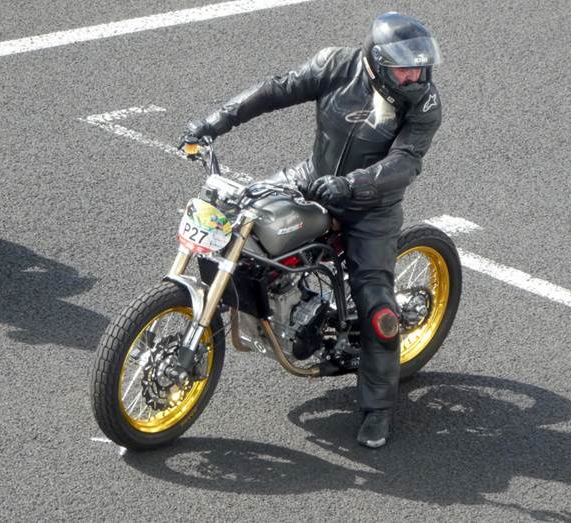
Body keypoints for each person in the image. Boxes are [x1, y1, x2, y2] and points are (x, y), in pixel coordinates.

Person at [179, 12, 442, 448]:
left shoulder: (424, 103)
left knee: (378, 310)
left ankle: (377, 409)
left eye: (419, 67)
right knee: (237, 220)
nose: (414, 76)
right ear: (377, 62)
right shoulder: (336, 65)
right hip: (309, 179)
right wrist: (214, 123)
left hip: (370, 207)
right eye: (403, 68)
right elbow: (276, 89)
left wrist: (353, 185)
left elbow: (405, 162)